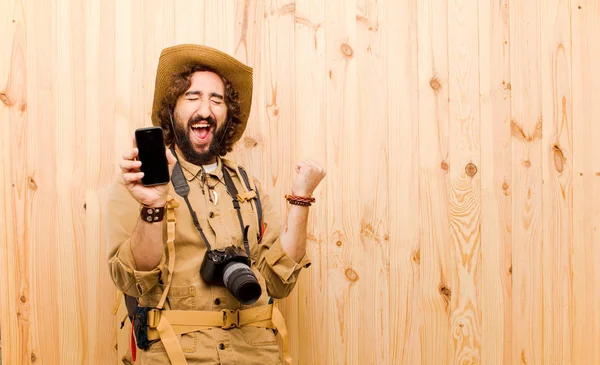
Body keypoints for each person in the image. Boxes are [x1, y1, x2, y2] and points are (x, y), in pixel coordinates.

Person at [106, 44, 326, 365]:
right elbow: (135, 278)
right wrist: (153, 206)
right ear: (172, 110)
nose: (205, 109)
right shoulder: (142, 183)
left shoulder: (249, 188)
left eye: (217, 99)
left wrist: (301, 198)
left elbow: (278, 282)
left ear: (227, 114)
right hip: (176, 355)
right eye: (192, 97)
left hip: (257, 354)